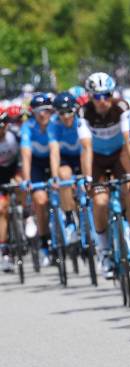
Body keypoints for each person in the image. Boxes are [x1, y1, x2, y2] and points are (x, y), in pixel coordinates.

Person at [80, 72, 130, 279]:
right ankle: (105, 251)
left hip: (119, 155)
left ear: (112, 93)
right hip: (97, 159)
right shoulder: (83, 112)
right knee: (100, 202)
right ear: (90, 96)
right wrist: (88, 178)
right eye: (97, 96)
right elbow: (86, 148)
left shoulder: (122, 107)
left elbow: (129, 141)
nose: (102, 101)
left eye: (106, 95)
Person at [48, 92, 92, 244]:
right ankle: (69, 218)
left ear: (75, 110)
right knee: (63, 175)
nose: (66, 116)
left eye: (69, 112)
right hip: (65, 158)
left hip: (82, 155)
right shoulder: (53, 124)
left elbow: (86, 148)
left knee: (88, 181)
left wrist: (88, 176)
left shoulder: (81, 120)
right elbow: (54, 152)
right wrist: (54, 177)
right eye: (61, 113)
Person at [20, 93, 58, 267]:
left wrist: (56, 177)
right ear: (33, 113)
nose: (43, 114)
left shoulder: (56, 123)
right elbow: (26, 155)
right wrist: (27, 180)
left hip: (55, 160)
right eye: (38, 111)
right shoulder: (28, 127)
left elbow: (55, 151)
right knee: (41, 201)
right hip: (36, 165)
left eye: (46, 110)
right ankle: (44, 244)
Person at [0, 110, 21, 271]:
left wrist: (20, 175)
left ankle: (27, 215)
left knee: (24, 185)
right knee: (2, 210)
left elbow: (25, 156)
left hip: (14, 171)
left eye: (4, 124)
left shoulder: (14, 136)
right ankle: (5, 250)